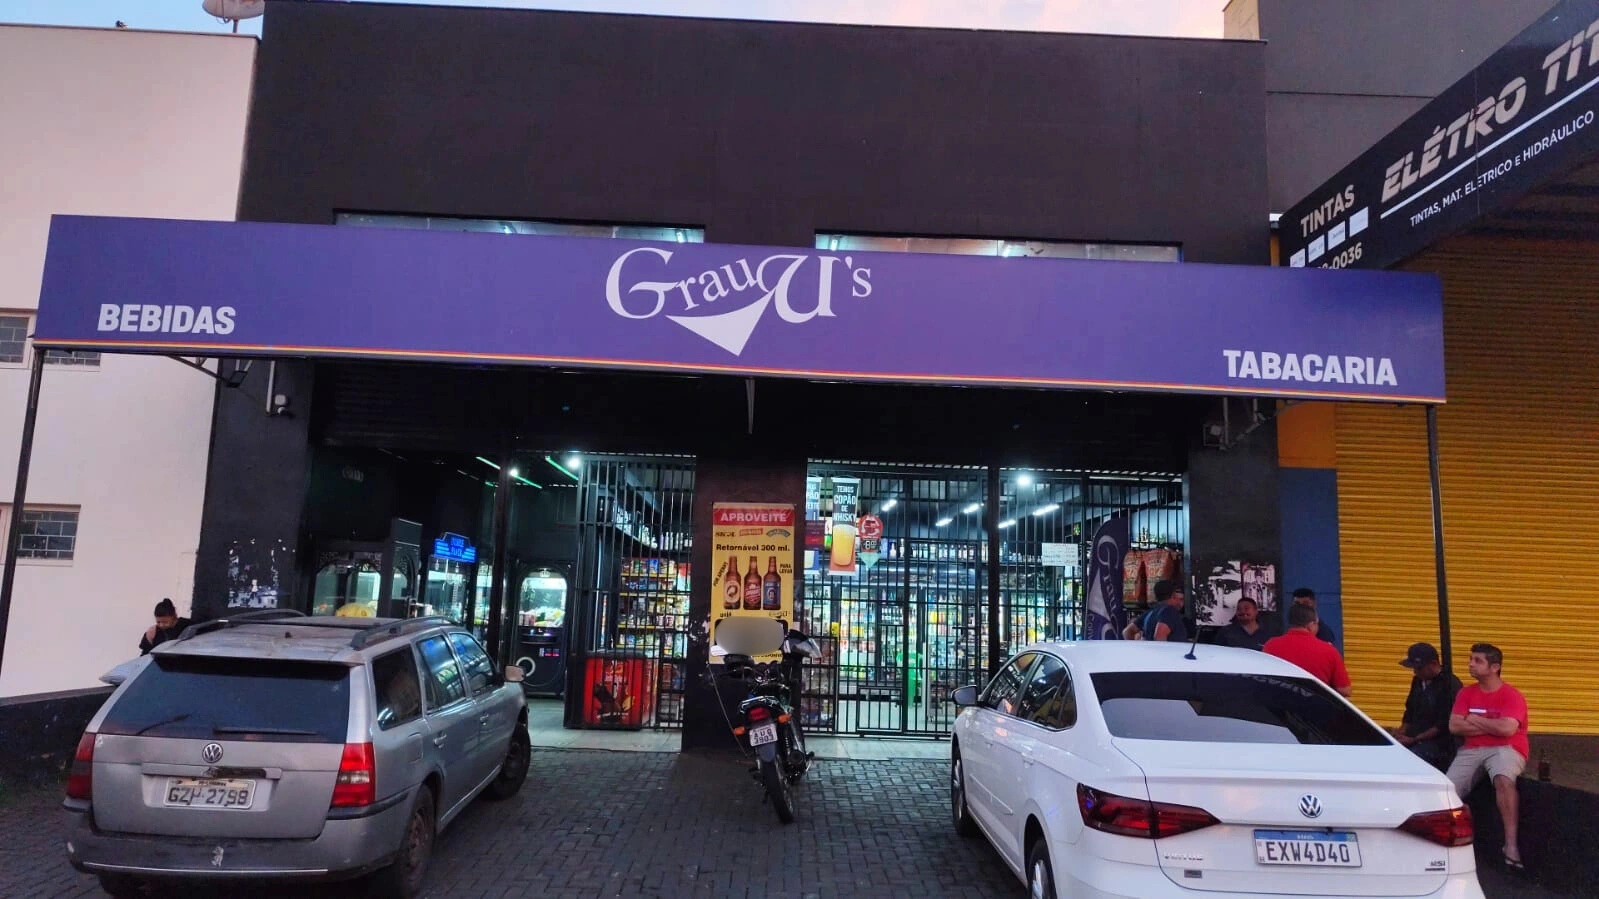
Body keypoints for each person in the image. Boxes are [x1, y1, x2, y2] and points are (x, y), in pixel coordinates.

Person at [1447, 643, 1529, 871]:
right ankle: (1458, 838)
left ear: (1495, 667)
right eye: (1470, 659)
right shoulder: (1466, 693)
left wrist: (1473, 719)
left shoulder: (1512, 695)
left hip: (1506, 748)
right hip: (1472, 749)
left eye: (1478, 660)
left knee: (1504, 779)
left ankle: (1511, 846)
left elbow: (1507, 730)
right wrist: (1492, 725)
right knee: (1447, 791)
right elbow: (1454, 726)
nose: (1470, 664)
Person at [1392, 642, 1462, 771]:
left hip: (1439, 743)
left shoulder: (1449, 684)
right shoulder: (1418, 680)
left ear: (1433, 664)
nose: (1415, 672)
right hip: (1415, 736)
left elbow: (1443, 724)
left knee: (1411, 758)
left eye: (1419, 668)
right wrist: (1401, 731)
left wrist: (1414, 739)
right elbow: (1410, 710)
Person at [1263, 603, 1351, 696]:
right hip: (1314, 703)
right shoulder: (1329, 651)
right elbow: (1345, 690)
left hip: (1277, 702)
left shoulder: (1270, 645)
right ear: (1311, 625)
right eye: (1317, 624)